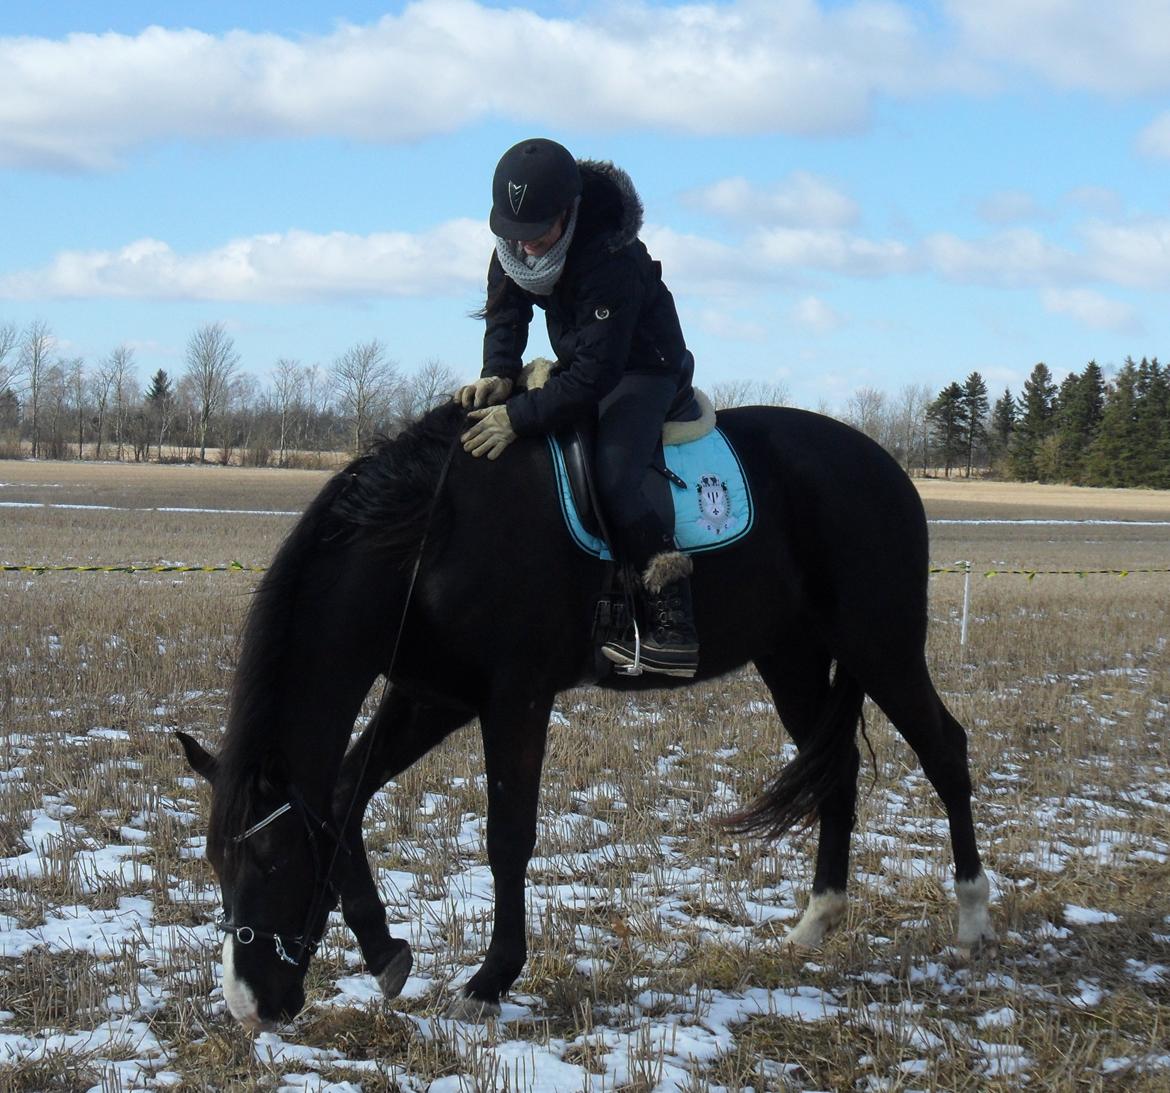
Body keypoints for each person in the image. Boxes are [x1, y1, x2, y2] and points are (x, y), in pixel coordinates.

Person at [457, 137, 699, 678]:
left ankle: (673, 619)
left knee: (614, 476)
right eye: (514, 233)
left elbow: (597, 374)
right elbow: (506, 311)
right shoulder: (515, 242)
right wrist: (498, 373)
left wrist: (518, 416)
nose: (527, 246)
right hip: (584, 359)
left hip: (641, 368)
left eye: (538, 232)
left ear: (568, 212)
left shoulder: (610, 256)